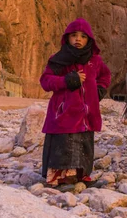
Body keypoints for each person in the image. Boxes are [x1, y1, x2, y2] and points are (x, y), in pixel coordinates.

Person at [40, 18, 111, 186]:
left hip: (87, 113)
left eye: (83, 36)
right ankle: (60, 179)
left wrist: (99, 90)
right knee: (64, 143)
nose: (78, 39)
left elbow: (105, 76)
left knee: (83, 142)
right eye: (74, 35)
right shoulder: (58, 59)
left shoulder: (95, 61)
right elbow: (45, 81)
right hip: (63, 112)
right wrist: (67, 80)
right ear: (67, 38)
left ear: (89, 40)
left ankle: (81, 177)